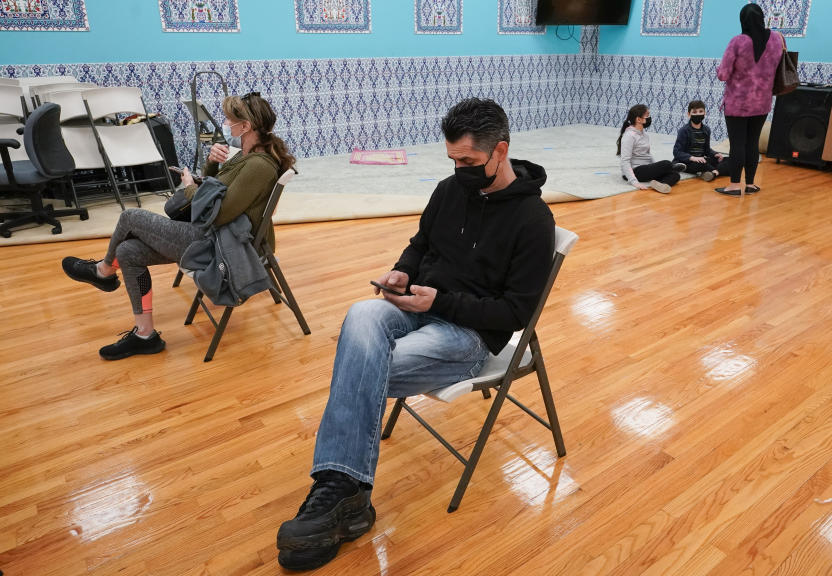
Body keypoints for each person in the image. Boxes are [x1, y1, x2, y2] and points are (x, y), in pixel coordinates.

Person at [274, 98, 555, 571]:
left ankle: (339, 491)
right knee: (362, 314)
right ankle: (348, 496)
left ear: (500, 151)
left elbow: (517, 311)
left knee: (358, 369)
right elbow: (421, 243)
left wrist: (439, 303)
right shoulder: (449, 190)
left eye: (467, 161)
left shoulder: (533, 220)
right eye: (452, 160)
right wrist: (401, 273)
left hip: (467, 335)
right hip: (419, 304)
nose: (458, 170)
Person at [61, 92, 295, 359]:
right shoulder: (244, 155)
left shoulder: (259, 166)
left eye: (229, 119)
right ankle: (145, 334)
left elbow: (217, 215)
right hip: (212, 233)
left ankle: (103, 271)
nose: (225, 123)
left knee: (130, 218)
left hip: (218, 242)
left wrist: (189, 188)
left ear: (246, 126)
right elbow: (216, 191)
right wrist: (211, 164)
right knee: (127, 252)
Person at [715, 3, 784, 196]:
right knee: (752, 143)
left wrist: (719, 70)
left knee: (737, 144)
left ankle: (734, 185)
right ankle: (751, 184)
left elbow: (723, 74)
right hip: (762, 102)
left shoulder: (738, 41)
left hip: (738, 104)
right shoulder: (776, 40)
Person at [617, 104, 683, 195]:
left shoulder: (644, 134)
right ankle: (672, 166)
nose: (649, 117)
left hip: (646, 169)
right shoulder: (629, 136)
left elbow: (648, 155)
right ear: (638, 119)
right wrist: (634, 182)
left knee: (676, 175)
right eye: (647, 115)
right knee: (666, 164)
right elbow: (624, 161)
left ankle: (662, 184)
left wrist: (657, 168)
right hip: (635, 171)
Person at [673, 99, 729, 182]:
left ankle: (714, 173)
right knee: (703, 164)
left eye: (700, 111)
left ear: (704, 113)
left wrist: (715, 154)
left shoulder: (706, 130)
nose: (698, 114)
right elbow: (676, 152)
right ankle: (715, 171)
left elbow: (707, 150)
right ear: (689, 114)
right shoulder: (684, 131)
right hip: (688, 162)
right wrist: (692, 158)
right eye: (694, 112)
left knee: (730, 160)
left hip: (702, 159)